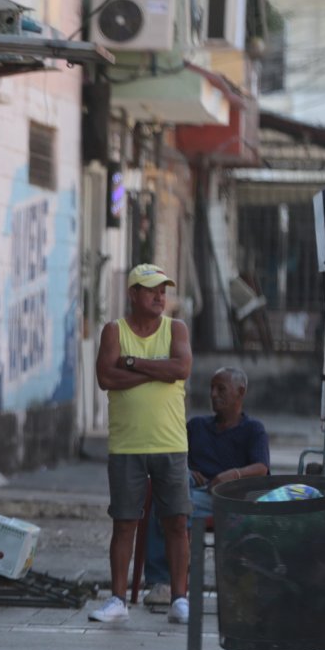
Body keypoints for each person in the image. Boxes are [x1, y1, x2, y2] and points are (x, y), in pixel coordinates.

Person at [91, 263, 193, 625]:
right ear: (133, 293)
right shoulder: (113, 331)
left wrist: (132, 364)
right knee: (124, 522)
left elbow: (180, 369)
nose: (159, 296)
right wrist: (156, 371)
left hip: (170, 442)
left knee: (177, 522)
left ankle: (179, 598)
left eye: (163, 290)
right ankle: (118, 599)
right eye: (151, 290)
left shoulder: (175, 329)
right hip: (127, 445)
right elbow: (105, 377)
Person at [142, 367, 270, 606]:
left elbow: (261, 468)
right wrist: (187, 471)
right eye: (211, 388)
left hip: (226, 498)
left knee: (175, 502)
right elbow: (173, 457)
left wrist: (232, 475)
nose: (213, 394)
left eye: (221, 389)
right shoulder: (197, 426)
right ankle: (162, 582)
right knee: (168, 494)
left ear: (240, 392)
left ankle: (174, 581)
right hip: (190, 490)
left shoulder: (253, 429)